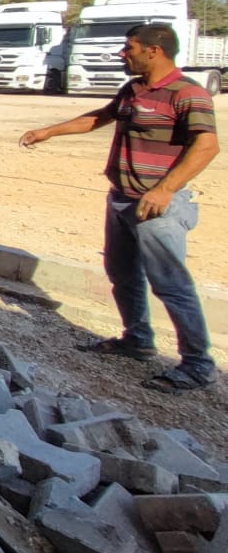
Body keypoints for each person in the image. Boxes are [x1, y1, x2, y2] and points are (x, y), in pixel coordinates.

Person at [19, 23, 218, 392]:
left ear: (154, 50)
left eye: (129, 48)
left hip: (156, 207)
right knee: (122, 274)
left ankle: (198, 363)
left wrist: (165, 190)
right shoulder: (134, 89)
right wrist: (48, 132)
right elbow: (99, 117)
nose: (122, 54)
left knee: (170, 284)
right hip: (122, 199)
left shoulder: (187, 93)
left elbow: (206, 146)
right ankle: (137, 340)